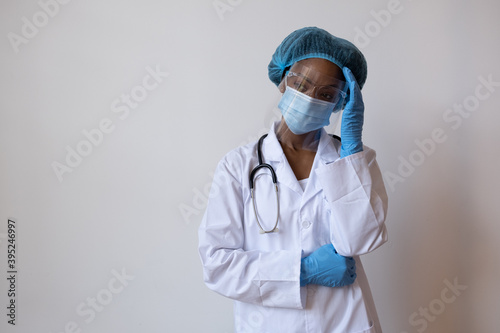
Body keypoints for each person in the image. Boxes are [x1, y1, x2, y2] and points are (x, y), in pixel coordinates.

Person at [198, 26, 388, 333]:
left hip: (345, 322)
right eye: (302, 84)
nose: (311, 98)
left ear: (340, 104)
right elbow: (217, 266)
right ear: (283, 81)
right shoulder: (238, 166)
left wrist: (351, 152)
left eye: (327, 94)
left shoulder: (354, 160)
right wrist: (302, 270)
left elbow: (359, 241)